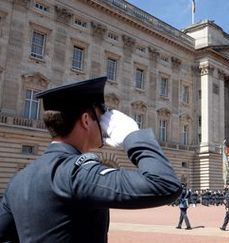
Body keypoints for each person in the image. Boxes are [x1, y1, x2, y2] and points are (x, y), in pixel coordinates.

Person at [0, 77, 181, 242]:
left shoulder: (19, 179)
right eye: (101, 115)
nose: (104, 124)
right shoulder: (77, 173)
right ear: (86, 120)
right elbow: (164, 184)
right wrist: (132, 135)